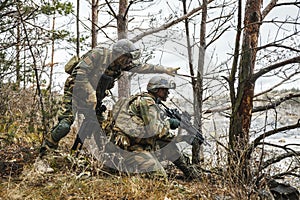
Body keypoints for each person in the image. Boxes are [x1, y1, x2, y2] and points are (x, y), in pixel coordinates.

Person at [39, 39, 180, 157]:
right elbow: (79, 72)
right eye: (127, 58)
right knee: (64, 125)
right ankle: (44, 155)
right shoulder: (99, 54)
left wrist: (165, 70)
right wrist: (91, 93)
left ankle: (102, 159)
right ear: (118, 54)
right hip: (75, 94)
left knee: (102, 130)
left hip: (94, 101)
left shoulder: (120, 64)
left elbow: (142, 67)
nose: (129, 62)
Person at [103, 76, 200, 179]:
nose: (168, 93)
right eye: (165, 90)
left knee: (170, 147)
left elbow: (155, 134)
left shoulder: (149, 101)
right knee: (159, 176)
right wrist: (169, 123)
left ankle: (193, 176)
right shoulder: (148, 103)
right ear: (157, 90)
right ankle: (121, 168)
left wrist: (182, 138)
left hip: (139, 144)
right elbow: (155, 131)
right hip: (130, 148)